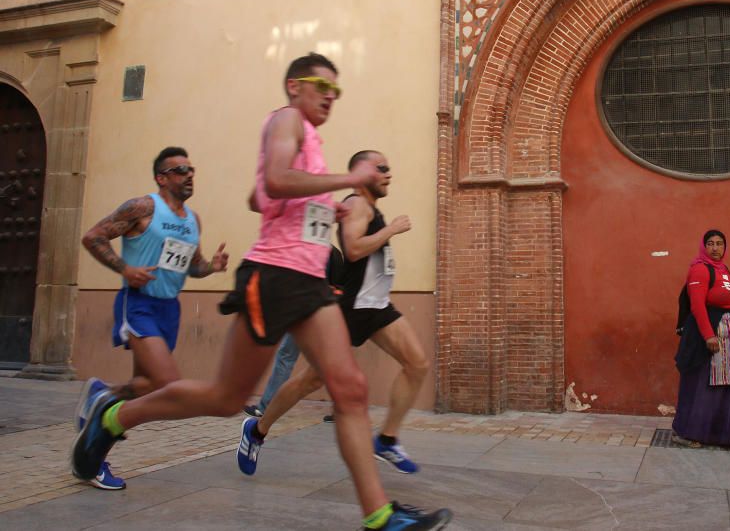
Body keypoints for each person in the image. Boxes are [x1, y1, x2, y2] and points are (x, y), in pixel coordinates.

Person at [72, 53, 451, 530]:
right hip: (273, 277)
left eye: (337, 90)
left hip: (310, 281)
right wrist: (349, 180)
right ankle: (112, 419)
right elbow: (274, 180)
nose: (330, 96)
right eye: (321, 86)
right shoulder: (287, 118)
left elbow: (260, 194)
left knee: (350, 389)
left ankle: (379, 516)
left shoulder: (307, 137)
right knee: (226, 398)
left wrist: (320, 203)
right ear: (295, 86)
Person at [238, 150, 429, 476]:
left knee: (417, 364)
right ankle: (256, 430)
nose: (388, 174)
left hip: (377, 306)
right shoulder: (356, 204)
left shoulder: (368, 208)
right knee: (308, 381)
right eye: (381, 168)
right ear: (361, 172)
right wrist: (392, 230)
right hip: (351, 309)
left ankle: (386, 439)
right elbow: (353, 249)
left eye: (389, 168)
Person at [76, 146, 228, 489]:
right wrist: (125, 268)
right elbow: (93, 237)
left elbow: (193, 265)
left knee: (145, 386)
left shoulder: (193, 220)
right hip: (139, 303)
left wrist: (212, 268)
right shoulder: (143, 207)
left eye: (191, 169)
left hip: (169, 309)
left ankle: (102, 394)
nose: (189, 175)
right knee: (168, 384)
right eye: (180, 170)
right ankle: (94, 447)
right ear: (162, 178)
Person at [671, 229, 730, 449]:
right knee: (702, 385)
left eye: (720, 244)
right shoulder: (700, 270)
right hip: (711, 341)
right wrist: (709, 335)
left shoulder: (723, 269)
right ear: (704, 247)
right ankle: (687, 432)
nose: (715, 248)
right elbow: (697, 305)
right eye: (711, 244)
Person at [243, 246, 344, 421]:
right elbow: (339, 286)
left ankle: (266, 407)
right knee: (328, 362)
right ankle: (342, 410)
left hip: (304, 313)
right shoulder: (333, 253)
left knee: (287, 357)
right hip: (322, 314)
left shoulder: (302, 249)